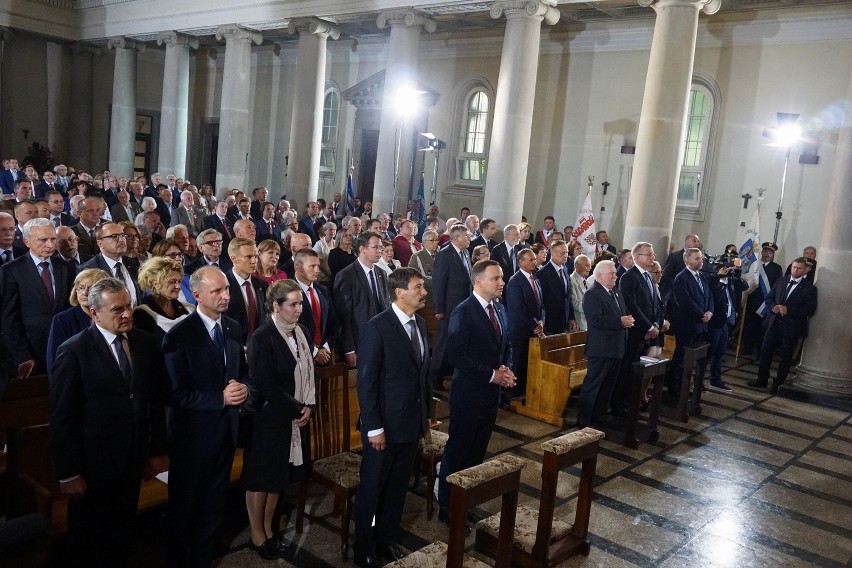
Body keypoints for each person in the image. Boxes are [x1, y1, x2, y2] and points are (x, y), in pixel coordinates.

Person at [49, 278, 166, 567]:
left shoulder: (145, 343)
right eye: (117, 310)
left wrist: (156, 451)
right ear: (94, 313)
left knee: (123, 533)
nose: (127, 314)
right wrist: (68, 473)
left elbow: (155, 402)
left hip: (132, 460)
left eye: (128, 306)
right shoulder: (73, 351)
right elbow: (63, 417)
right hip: (92, 467)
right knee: (88, 541)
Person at [163, 266, 250, 568]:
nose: (226, 295)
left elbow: (243, 374)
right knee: (184, 508)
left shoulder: (234, 328)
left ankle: (203, 558)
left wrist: (245, 389)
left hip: (226, 432)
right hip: (192, 440)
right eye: (217, 291)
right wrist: (220, 398)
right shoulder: (180, 336)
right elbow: (174, 394)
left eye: (226, 289)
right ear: (197, 294)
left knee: (214, 505)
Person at [354, 268, 431, 567]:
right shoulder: (377, 327)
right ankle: (364, 549)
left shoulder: (421, 324)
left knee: (397, 488)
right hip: (383, 428)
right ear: (400, 292)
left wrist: (425, 419)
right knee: (373, 490)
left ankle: (385, 540)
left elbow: (422, 377)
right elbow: (367, 382)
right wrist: (373, 428)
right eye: (418, 287)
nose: (424, 292)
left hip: (411, 424)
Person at [242, 279, 316, 560]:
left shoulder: (302, 332)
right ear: (276, 305)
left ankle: (269, 530)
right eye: (293, 305)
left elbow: (310, 375)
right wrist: (299, 408)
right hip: (268, 419)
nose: (299, 309)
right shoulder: (262, 337)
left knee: (279, 478)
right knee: (261, 478)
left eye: (300, 304)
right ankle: (256, 533)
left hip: (294, 417)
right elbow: (266, 384)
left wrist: (309, 405)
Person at [437, 260, 514, 523]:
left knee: (477, 452)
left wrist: (507, 368)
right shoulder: (463, 311)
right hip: (468, 394)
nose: (502, 282)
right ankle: (447, 506)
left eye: (501, 277)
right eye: (496, 278)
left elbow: (507, 345)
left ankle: (466, 501)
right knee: (458, 451)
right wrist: (494, 375)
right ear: (479, 282)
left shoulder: (500, 309)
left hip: (490, 396)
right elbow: (457, 356)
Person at [1, 218, 75, 377]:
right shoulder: (11, 271)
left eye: (53, 239)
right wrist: (23, 356)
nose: (50, 244)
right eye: (43, 240)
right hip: (32, 353)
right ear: (27, 241)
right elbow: (9, 318)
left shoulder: (66, 267)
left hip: (65, 348)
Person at [577, 260, 633, 427]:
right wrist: (620, 321)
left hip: (616, 348)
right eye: (612, 273)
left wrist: (628, 319)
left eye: (615, 273)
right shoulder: (593, 294)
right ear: (600, 276)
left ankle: (599, 417)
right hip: (601, 349)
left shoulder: (615, 292)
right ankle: (584, 421)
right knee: (593, 386)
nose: (616, 276)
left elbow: (624, 312)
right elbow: (595, 320)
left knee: (607, 387)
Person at [749, 258, 818, 393]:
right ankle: (762, 379)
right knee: (765, 353)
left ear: (805, 270)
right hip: (774, 323)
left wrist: (789, 311)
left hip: (791, 327)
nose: (795, 270)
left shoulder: (810, 288)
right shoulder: (781, 281)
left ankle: (778, 384)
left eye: (799, 268)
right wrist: (773, 307)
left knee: (785, 357)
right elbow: (769, 298)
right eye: (793, 267)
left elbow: (810, 309)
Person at [614, 242, 666, 414]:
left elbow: (655, 305)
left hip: (649, 332)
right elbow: (632, 306)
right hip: (636, 332)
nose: (653, 257)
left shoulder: (649, 277)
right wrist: (649, 326)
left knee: (640, 371)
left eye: (653, 254)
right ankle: (620, 404)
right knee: (628, 370)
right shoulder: (629, 277)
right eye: (649, 255)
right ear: (637, 258)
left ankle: (633, 400)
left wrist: (656, 324)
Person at [333, 231, 389, 368]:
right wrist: (349, 349)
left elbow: (385, 306)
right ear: (362, 249)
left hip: (381, 339)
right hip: (360, 341)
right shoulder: (346, 275)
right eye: (376, 247)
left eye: (381, 248)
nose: (380, 251)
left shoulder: (381, 273)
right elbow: (343, 317)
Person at [429, 224, 473, 388]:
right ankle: (434, 377)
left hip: (463, 306)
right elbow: (439, 283)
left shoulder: (466, 253)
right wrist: (439, 309)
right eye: (466, 236)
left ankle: (449, 372)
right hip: (448, 307)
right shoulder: (445, 255)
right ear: (456, 238)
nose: (469, 238)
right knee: (443, 342)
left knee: (458, 341)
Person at [46, 268, 110, 372]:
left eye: (91, 288)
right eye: (81, 288)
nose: (85, 293)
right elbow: (55, 361)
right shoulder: (62, 320)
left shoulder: (110, 316)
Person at [669, 248, 713, 396]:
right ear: (687, 261)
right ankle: (676, 387)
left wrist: (710, 312)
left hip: (701, 324)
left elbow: (709, 296)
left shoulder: (701, 276)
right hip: (687, 324)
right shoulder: (681, 278)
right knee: (682, 357)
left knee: (693, 358)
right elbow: (685, 300)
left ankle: (686, 385)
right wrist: (701, 313)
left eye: (701, 258)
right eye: (697, 259)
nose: (701, 261)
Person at [505, 249, 544, 399]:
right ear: (521, 262)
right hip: (520, 329)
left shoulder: (536, 279)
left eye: (535, 259)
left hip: (534, 327)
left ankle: (524, 389)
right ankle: (513, 391)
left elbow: (541, 304)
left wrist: (541, 321)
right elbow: (519, 307)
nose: (535, 262)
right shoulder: (515, 281)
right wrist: (535, 324)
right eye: (531, 260)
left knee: (529, 360)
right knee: (518, 360)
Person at [78, 222, 142, 307]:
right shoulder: (88, 269)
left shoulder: (133, 263)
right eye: (114, 236)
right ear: (100, 243)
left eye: (123, 235)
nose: (121, 240)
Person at [706, 262, 746, 393]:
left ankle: (715, 380)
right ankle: (698, 380)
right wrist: (718, 277)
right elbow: (715, 296)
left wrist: (737, 273)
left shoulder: (731, 282)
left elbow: (744, 286)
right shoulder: (712, 281)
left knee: (720, 353)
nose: (726, 270)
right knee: (708, 353)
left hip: (726, 322)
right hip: (715, 322)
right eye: (724, 268)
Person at [134, 257, 194, 342]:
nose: (178, 287)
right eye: (172, 282)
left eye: (179, 281)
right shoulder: (142, 314)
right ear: (156, 284)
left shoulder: (188, 309)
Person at [293, 248, 335, 366]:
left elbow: (333, 323)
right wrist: (315, 352)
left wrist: (326, 348)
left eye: (318, 266)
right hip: (299, 360)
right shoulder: (288, 292)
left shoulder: (324, 291)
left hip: (325, 356)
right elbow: (290, 328)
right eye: (312, 266)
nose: (317, 270)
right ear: (298, 268)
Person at [226, 238, 268, 345]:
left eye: (255, 256)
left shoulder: (261, 284)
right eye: (248, 257)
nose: (254, 261)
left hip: (260, 345)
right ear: (233, 258)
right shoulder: (223, 286)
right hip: (235, 346)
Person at [537, 240, 577, 335]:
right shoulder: (542, 273)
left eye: (567, 252)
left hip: (565, 322)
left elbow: (567, 296)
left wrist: (571, 317)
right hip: (549, 324)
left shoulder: (565, 269)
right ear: (552, 253)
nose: (565, 255)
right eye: (562, 253)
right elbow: (540, 302)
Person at [409, 229, 439, 304]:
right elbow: (411, 277)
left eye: (437, 240)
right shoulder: (417, 257)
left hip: (440, 296)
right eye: (432, 240)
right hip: (426, 297)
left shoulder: (441, 255)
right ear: (424, 242)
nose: (436, 243)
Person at [569, 254, 592, 331]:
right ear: (577, 266)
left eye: (590, 265)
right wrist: (591, 309)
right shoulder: (571, 280)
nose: (589, 268)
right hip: (578, 324)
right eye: (586, 266)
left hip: (589, 323)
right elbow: (574, 303)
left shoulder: (588, 282)